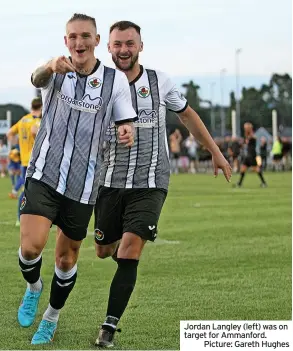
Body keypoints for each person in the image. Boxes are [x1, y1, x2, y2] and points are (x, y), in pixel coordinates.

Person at [93, 21, 232, 348]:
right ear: (108, 48)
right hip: (108, 181)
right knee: (103, 250)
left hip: (151, 181)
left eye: (130, 43)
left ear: (141, 46)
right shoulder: (97, 84)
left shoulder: (160, 81)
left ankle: (108, 328)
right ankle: (121, 262)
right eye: (117, 44)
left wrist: (215, 151)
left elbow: (187, 115)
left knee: (129, 250)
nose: (123, 50)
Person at [17, 13, 136, 345]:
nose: (79, 42)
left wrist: (126, 130)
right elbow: (35, 78)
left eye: (86, 36)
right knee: (30, 247)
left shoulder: (115, 81)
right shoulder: (54, 69)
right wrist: (50, 67)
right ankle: (33, 288)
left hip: (84, 185)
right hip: (44, 172)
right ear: (65, 41)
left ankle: (51, 317)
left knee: (65, 257)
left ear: (97, 41)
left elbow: (125, 120)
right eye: (72, 37)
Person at [7, 97, 43, 226]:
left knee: (27, 190)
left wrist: (16, 146)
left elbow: (9, 133)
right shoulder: (37, 120)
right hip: (36, 159)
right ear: (41, 107)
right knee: (41, 189)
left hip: (24, 159)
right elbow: (34, 131)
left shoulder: (23, 120)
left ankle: (20, 217)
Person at [234, 122, 267, 188]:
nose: (245, 129)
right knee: (243, 168)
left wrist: (249, 129)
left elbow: (253, 137)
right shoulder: (247, 136)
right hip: (248, 155)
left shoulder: (252, 135)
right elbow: (245, 141)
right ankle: (239, 183)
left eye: (246, 128)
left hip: (252, 155)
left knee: (256, 169)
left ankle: (264, 183)